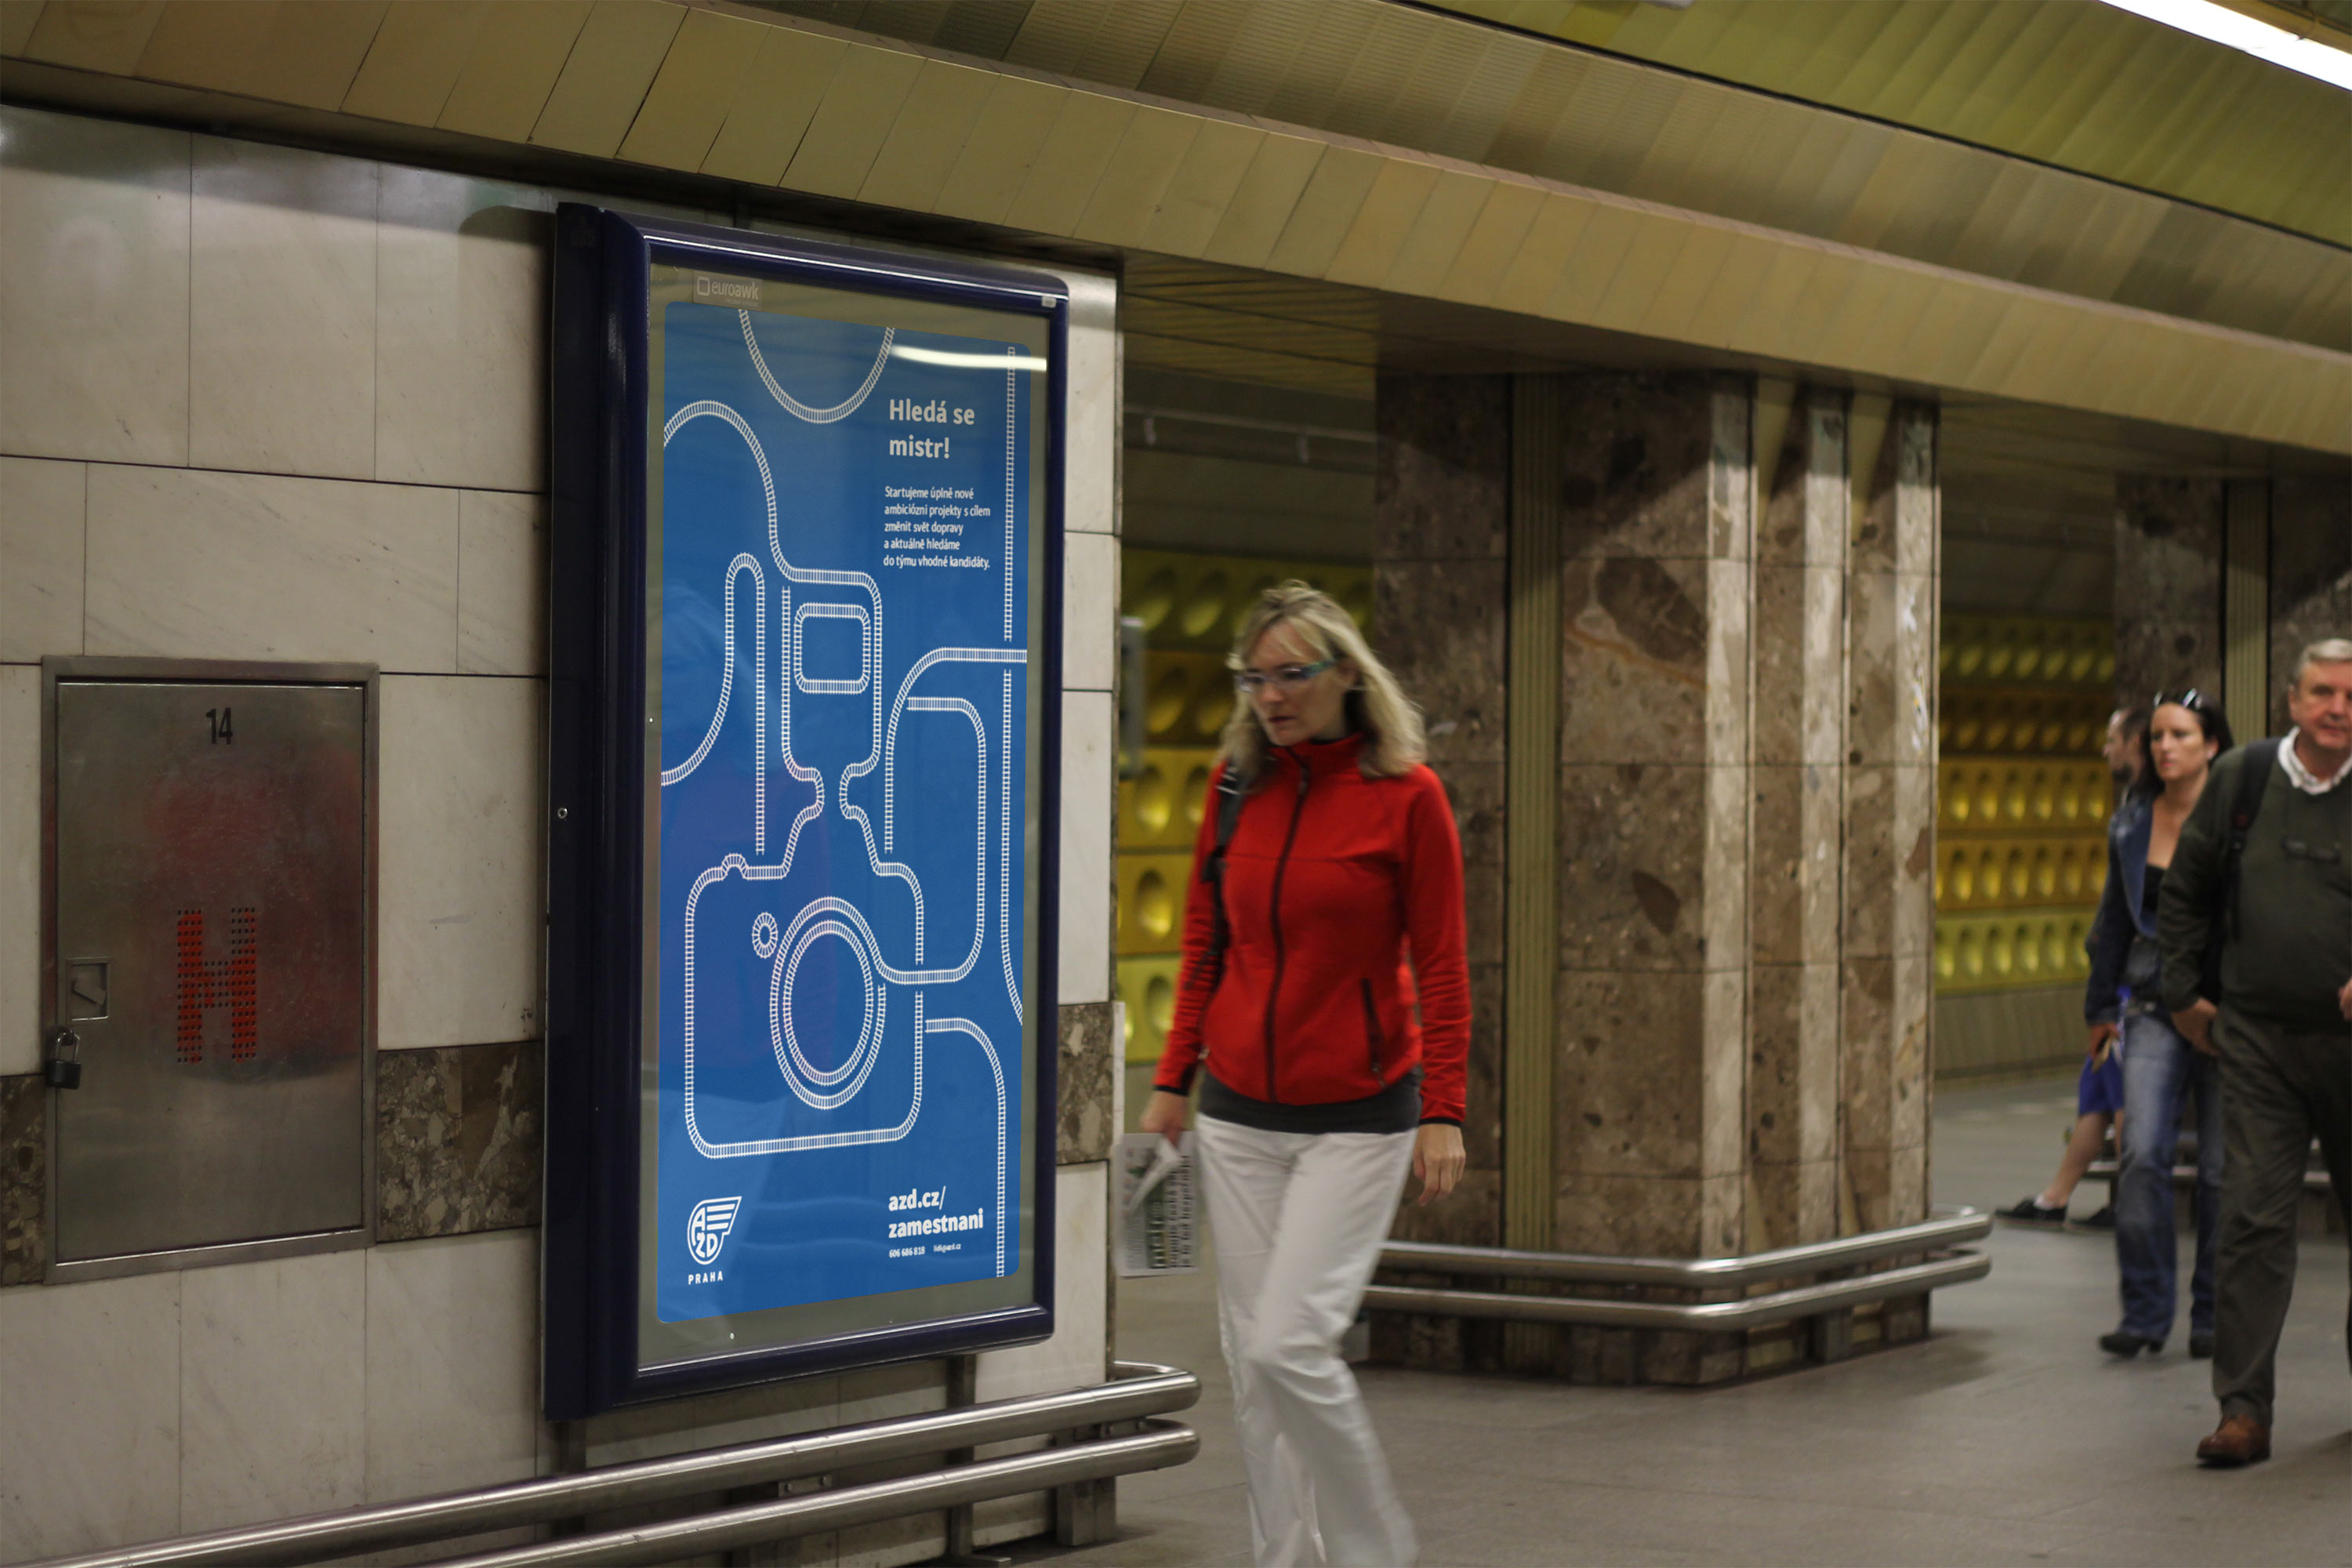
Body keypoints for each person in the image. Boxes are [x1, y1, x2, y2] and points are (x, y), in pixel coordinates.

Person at [1142, 581, 1468, 1567]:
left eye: (1290, 674)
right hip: (1239, 1114)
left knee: (1289, 1343)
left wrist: (1444, 1107)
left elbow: (1443, 962)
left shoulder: (1408, 795)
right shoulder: (1234, 788)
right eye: (1254, 678)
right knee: (1254, 1367)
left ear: (1347, 673)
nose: (1271, 695)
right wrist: (1172, 1079)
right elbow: (1206, 941)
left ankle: (1373, 1551)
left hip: (1358, 1119)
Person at [2159, 639, 2352, 1468]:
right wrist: (2180, 992)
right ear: (2292, 700)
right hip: (2259, 1043)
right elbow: (2185, 889)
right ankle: (2242, 1410)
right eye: (2323, 692)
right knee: (2251, 1221)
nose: (2338, 708)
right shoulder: (2243, 778)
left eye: (2351, 696)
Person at [2085, 691, 2232, 1357]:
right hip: (2151, 1005)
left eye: (2180, 736)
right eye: (2157, 738)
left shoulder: (2238, 823)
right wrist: (2098, 1009)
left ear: (2212, 746)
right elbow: (2113, 921)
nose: (2164, 748)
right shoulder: (2131, 824)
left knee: (2221, 1171)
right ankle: (2145, 1313)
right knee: (2142, 1153)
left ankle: (2213, 1316)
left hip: (2226, 1011)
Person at [1995, 706, 2148, 1232]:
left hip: (2133, 981)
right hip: (2112, 982)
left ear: (2135, 742)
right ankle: (2055, 1197)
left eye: (2113, 740)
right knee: (2098, 1097)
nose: (2105, 750)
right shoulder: (2130, 808)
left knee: (2124, 1095)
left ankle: (2131, 1202)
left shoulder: (2151, 813)